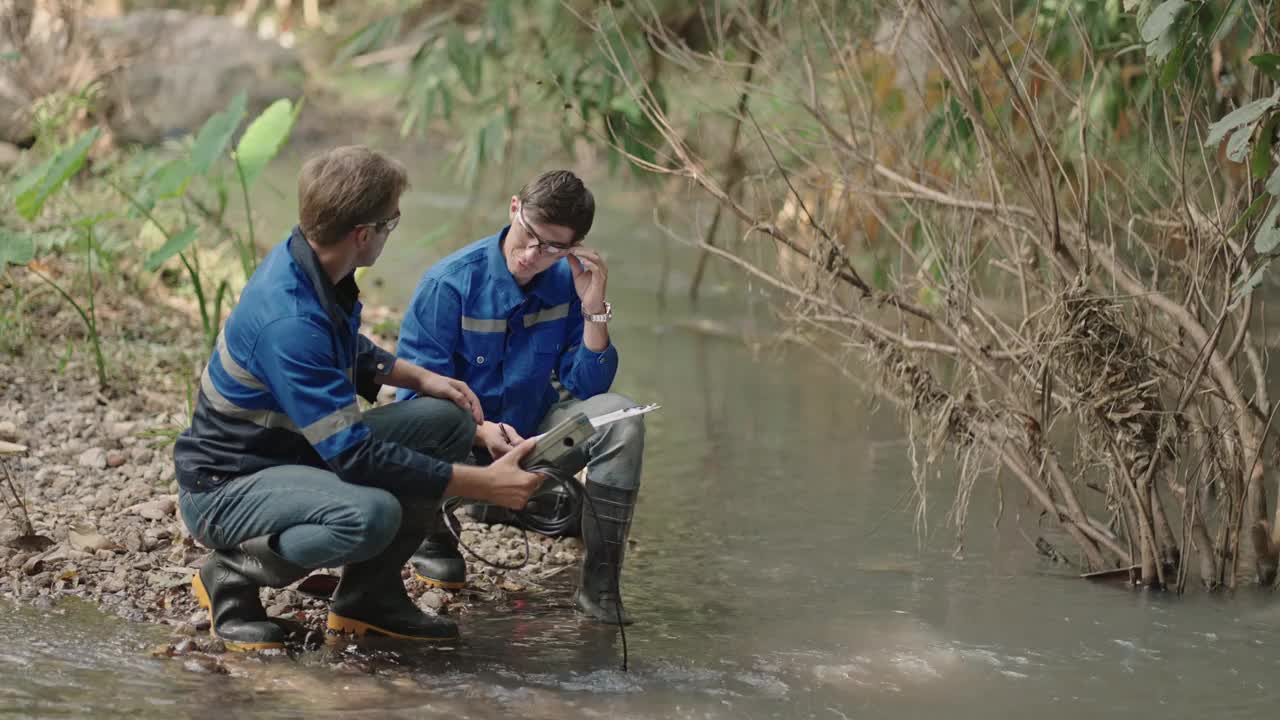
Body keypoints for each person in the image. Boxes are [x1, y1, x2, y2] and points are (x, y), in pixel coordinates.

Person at [172, 145, 546, 651]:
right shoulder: (290, 319)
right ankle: (232, 574)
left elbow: (341, 345)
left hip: (292, 451)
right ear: (363, 235)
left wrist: (421, 379)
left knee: (446, 422)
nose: (392, 232)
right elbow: (352, 454)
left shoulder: (314, 262)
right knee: (370, 515)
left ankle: (369, 600)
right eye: (392, 221)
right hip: (228, 484)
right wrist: (484, 484)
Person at [395, 170, 646, 624]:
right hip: (457, 452)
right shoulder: (449, 285)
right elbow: (410, 404)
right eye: (529, 236)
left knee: (621, 418)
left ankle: (601, 593)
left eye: (553, 248)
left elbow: (589, 390)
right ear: (514, 209)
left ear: (573, 248)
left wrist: (594, 308)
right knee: (419, 422)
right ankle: (434, 537)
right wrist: (478, 429)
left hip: (531, 446)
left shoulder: (567, 284)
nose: (533, 255)